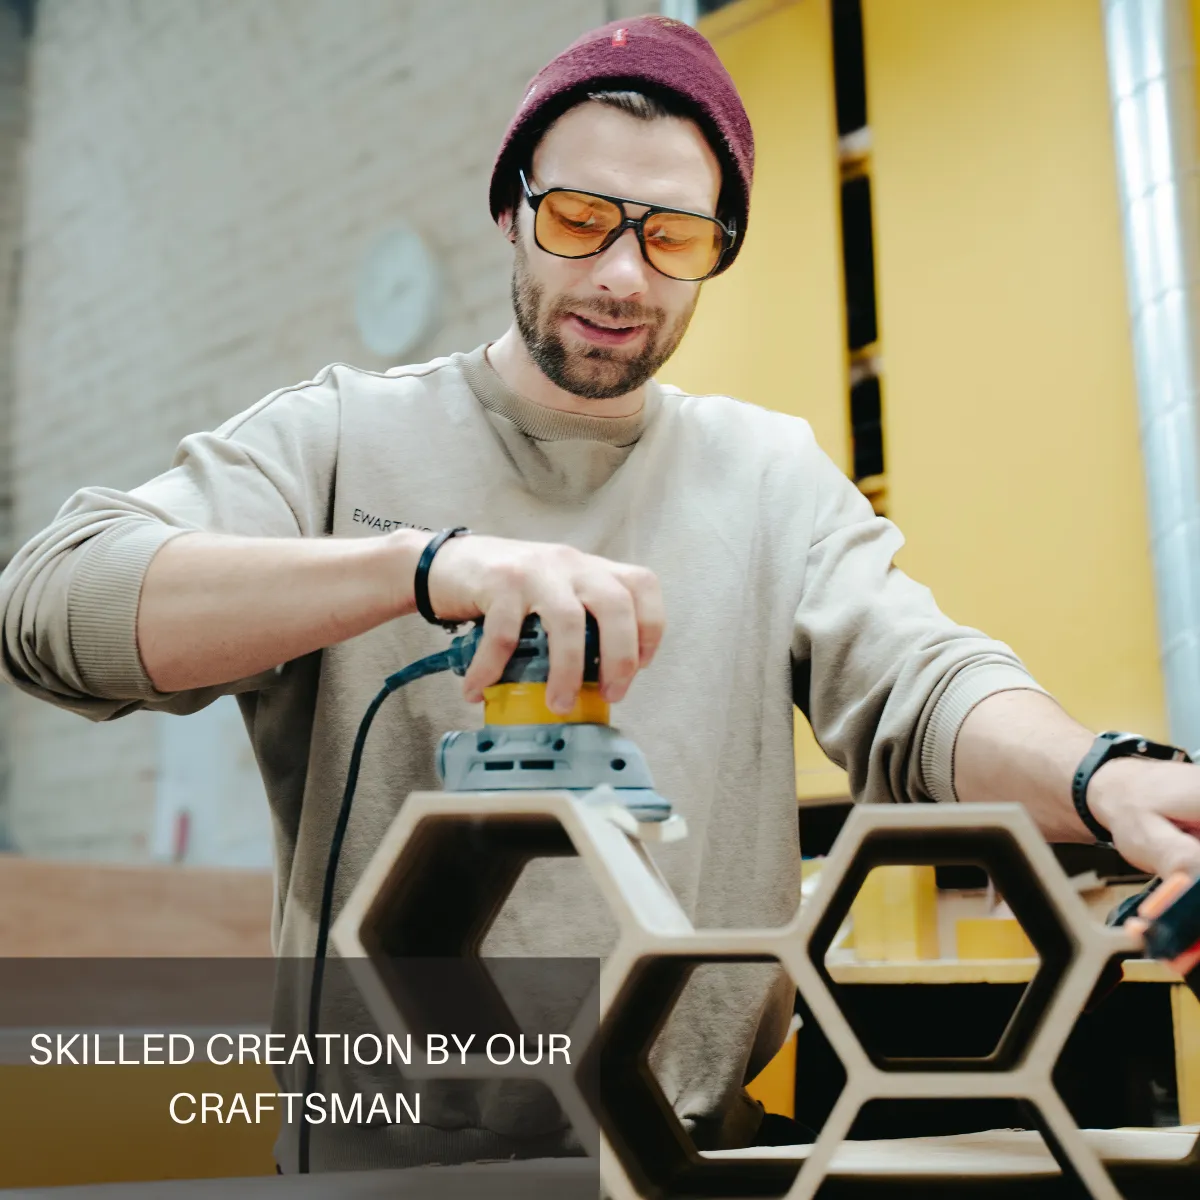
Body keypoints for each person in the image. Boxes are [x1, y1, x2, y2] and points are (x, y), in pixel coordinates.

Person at [1, 13, 1198, 1171]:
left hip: (686, 1156)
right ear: (512, 213)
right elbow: (56, 605)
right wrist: (418, 565)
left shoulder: (767, 477)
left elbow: (928, 692)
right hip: (385, 1160)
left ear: (718, 246)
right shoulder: (341, 439)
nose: (622, 274)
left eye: (673, 237)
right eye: (579, 219)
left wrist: (1106, 776)